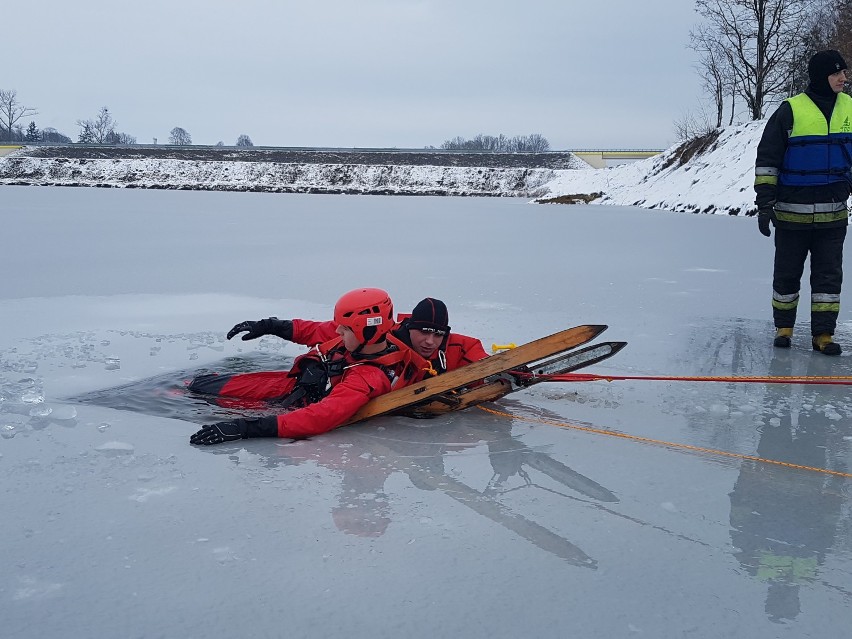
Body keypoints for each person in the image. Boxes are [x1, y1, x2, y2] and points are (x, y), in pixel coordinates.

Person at [189, 288, 432, 445]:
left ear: (366, 331)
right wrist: (268, 325)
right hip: (291, 386)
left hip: (296, 403)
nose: (337, 331)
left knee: (196, 395)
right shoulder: (364, 340)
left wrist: (243, 427)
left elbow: (319, 418)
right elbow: (313, 330)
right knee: (199, 385)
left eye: (344, 328)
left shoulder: (367, 378)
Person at [754, 50, 852, 356]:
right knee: (787, 273)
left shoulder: (850, 108)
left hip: (833, 216)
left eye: (844, 73)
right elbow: (768, 161)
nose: (843, 78)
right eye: (837, 73)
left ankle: (823, 335)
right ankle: (784, 328)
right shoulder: (789, 110)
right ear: (821, 76)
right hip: (791, 217)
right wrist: (764, 204)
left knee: (828, 278)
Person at [227, 296, 489, 375]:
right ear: (410, 327)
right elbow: (321, 330)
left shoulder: (458, 347)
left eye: (438, 335)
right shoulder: (381, 336)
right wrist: (270, 325)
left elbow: (484, 362)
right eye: (424, 333)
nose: (430, 342)